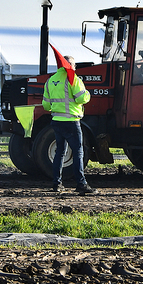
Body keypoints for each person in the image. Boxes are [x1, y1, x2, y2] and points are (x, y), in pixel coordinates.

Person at [42, 55, 98, 195]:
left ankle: (57, 184)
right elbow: (81, 98)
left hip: (56, 121)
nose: (75, 68)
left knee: (60, 152)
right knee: (78, 152)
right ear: (70, 65)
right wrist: (87, 94)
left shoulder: (51, 80)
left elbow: (46, 105)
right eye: (74, 65)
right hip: (71, 121)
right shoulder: (73, 79)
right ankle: (81, 184)